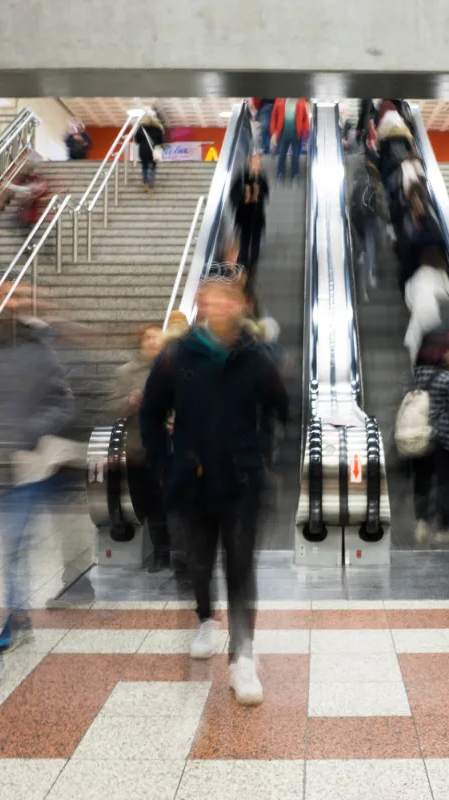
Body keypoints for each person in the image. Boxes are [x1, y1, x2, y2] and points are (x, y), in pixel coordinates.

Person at [139, 272, 289, 705]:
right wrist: (166, 463)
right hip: (194, 480)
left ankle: (242, 658)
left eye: (227, 297)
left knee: (241, 569)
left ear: (241, 302)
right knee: (200, 561)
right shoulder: (178, 353)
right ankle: (205, 618)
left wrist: (263, 454)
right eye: (210, 297)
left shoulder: (256, 354)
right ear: (202, 303)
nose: (219, 305)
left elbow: (279, 407)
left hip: (242, 482)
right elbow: (151, 413)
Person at [0, 291, 75, 654]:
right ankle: (18, 613)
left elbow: (63, 401)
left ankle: (15, 615)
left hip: (26, 466)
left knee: (15, 543)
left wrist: (28, 430)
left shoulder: (39, 349)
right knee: (12, 545)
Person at [407, 330, 449, 545]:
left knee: (422, 482)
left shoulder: (416, 374)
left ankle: (421, 524)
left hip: (417, 435)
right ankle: (445, 527)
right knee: (447, 483)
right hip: (443, 439)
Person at [403, 247, 449, 364]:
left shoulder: (416, 276)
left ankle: (418, 373)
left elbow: (409, 300)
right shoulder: (442, 274)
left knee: (417, 353)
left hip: (420, 320)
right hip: (440, 320)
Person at [230, 152, 270, 286]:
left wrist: (259, 188)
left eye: (258, 162)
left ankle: (252, 267)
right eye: (255, 161)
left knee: (255, 243)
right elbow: (233, 196)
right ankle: (242, 267)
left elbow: (266, 193)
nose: (257, 164)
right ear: (249, 162)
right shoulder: (241, 177)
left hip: (257, 217)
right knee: (244, 241)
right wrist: (245, 195)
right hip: (244, 216)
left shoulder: (261, 177)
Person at [348, 160, 386, 299]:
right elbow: (374, 206)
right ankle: (371, 271)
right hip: (367, 220)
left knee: (364, 245)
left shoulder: (357, 186)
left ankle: (361, 260)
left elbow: (351, 202)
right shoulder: (370, 188)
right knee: (370, 244)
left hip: (356, 220)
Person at [271, 98, 310, 183]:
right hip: (283, 133)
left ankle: (295, 174)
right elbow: (274, 117)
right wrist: (273, 132)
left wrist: (306, 133)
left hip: (296, 134)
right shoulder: (279, 100)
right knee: (282, 154)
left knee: (296, 156)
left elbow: (305, 118)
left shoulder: (301, 101)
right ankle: (280, 173)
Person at [136, 113, 166, 192]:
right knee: (153, 167)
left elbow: (137, 140)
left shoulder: (141, 128)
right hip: (154, 150)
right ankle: (151, 184)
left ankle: (145, 181)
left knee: (145, 166)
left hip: (143, 150)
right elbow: (161, 141)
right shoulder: (158, 129)